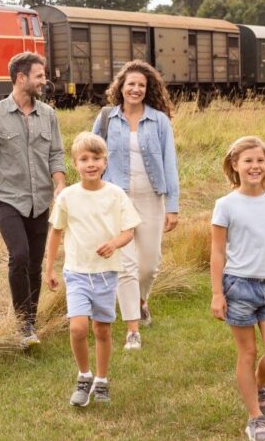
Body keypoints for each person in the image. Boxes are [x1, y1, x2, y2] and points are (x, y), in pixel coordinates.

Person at [210, 136, 265, 441]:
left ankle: (258, 384)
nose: (255, 166)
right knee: (247, 353)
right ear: (234, 165)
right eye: (247, 161)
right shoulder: (225, 205)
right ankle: (255, 418)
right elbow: (218, 252)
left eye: (260, 160)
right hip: (237, 287)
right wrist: (217, 293)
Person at [0, 52, 66, 348]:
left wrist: (59, 185)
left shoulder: (48, 115)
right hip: (8, 200)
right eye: (39, 75)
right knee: (20, 256)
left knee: (35, 264)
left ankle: (31, 322)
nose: (44, 80)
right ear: (21, 78)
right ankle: (22, 324)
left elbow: (56, 154)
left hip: (40, 201)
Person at [44, 132, 141, 406]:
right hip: (76, 273)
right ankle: (84, 375)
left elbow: (129, 231)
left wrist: (113, 243)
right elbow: (56, 233)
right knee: (77, 328)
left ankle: (101, 379)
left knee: (102, 330)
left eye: (96, 158)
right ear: (75, 163)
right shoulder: (67, 197)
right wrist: (49, 269)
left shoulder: (116, 195)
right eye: (84, 159)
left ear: (105, 162)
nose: (91, 164)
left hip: (107, 273)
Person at [92, 60, 179, 351]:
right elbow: (92, 157)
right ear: (121, 87)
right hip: (117, 201)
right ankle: (132, 330)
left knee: (149, 265)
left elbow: (170, 164)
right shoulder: (106, 119)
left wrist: (173, 206)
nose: (136, 89)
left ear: (148, 89)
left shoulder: (159, 121)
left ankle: (141, 301)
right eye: (131, 84)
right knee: (126, 266)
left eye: (141, 85)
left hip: (151, 198)